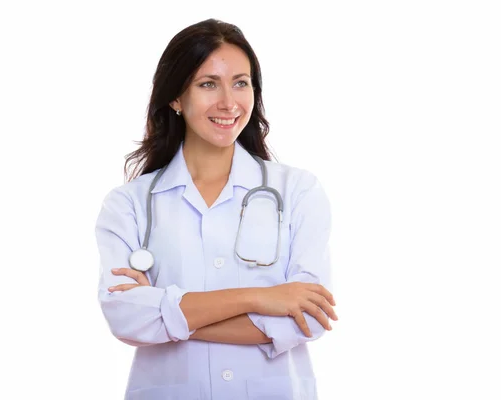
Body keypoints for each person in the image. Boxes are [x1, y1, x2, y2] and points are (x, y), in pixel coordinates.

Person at [95, 18, 337, 400]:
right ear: (175, 97)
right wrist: (260, 297)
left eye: (241, 82)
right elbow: (125, 316)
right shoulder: (129, 204)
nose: (229, 102)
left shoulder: (297, 190)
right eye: (208, 84)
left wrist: (165, 313)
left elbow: (308, 317)